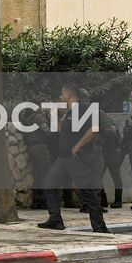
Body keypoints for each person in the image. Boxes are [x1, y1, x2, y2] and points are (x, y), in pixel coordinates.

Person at [38, 84, 109, 234]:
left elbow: (93, 130)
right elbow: (58, 130)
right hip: (63, 157)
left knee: (87, 192)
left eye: (62, 93)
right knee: (49, 184)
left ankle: (99, 226)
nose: (60, 97)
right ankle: (55, 219)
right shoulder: (69, 113)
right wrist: (53, 114)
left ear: (69, 94)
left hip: (78, 157)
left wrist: (78, 146)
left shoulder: (83, 109)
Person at [19, 106, 53, 210]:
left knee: (37, 175)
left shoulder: (26, 119)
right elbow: (47, 132)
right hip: (40, 147)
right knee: (45, 174)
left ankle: (36, 200)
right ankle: (43, 201)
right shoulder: (38, 117)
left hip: (31, 147)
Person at [88, 113, 124, 211]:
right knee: (108, 177)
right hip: (111, 151)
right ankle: (109, 200)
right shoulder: (107, 121)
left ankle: (113, 200)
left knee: (110, 176)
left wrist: (98, 139)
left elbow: (110, 135)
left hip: (109, 152)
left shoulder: (104, 122)